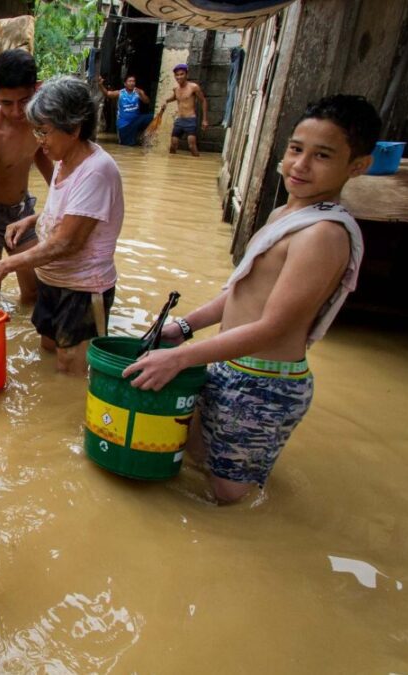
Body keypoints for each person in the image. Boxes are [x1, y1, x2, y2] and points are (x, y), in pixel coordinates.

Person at [123, 94, 381, 504]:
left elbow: (272, 328)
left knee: (231, 498)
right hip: (228, 363)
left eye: (322, 155)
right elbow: (240, 292)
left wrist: (181, 358)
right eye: (295, 149)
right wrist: (184, 327)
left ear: (358, 166)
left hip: (265, 384)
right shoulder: (285, 216)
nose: (300, 165)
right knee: (194, 460)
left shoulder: (322, 236)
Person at [0, 76, 124, 375]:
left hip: (82, 289)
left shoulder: (96, 172)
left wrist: (4, 265)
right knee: (49, 350)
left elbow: (67, 242)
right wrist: (31, 219)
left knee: (72, 369)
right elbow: (68, 212)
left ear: (74, 128)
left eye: (44, 131)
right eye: (36, 130)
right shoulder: (64, 160)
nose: (38, 140)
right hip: (53, 282)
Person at [0, 49, 54, 307]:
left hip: (21, 211)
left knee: (34, 293)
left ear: (37, 89)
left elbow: (40, 155)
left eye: (24, 101)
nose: (17, 111)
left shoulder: (39, 120)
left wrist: (59, 195)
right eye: (7, 103)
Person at [158, 64, 209, 156]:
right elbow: (175, 97)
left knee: (191, 146)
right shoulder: (176, 89)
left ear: (187, 75)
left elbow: (203, 101)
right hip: (179, 120)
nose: (179, 77)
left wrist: (204, 119)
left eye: (182, 74)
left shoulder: (193, 87)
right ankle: (172, 163)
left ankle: (196, 162)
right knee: (173, 145)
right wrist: (166, 101)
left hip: (190, 120)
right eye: (177, 75)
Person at [97, 74, 152, 146]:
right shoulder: (120, 93)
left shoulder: (138, 92)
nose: (132, 83)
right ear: (125, 84)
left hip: (136, 121)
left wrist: (141, 94)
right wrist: (100, 85)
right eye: (130, 81)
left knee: (151, 117)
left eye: (133, 81)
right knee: (127, 145)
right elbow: (107, 93)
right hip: (124, 124)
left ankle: (146, 138)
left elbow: (147, 101)